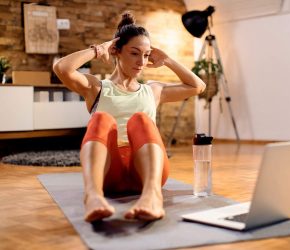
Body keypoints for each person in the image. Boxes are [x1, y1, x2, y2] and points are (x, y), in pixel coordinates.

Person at [53, 12, 205, 222]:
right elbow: (61, 68)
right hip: (109, 171)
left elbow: (198, 86)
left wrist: (167, 60)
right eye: (134, 53)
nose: (141, 61)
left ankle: (152, 197)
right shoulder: (96, 87)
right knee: (101, 119)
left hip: (147, 171)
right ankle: (93, 196)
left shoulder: (153, 90)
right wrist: (99, 49)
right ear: (117, 51)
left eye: (146, 54)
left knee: (141, 120)